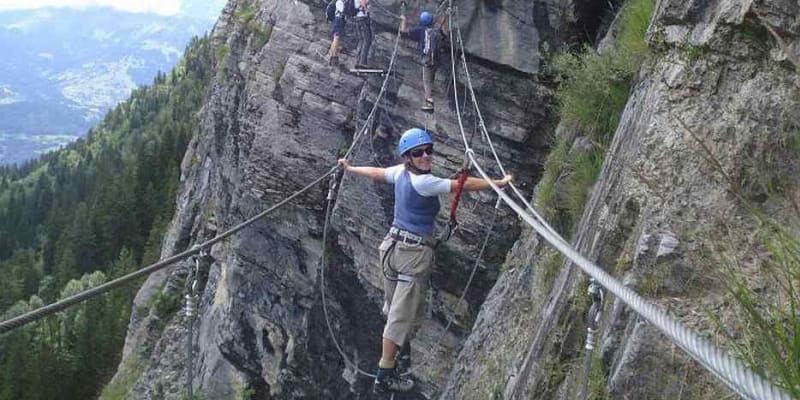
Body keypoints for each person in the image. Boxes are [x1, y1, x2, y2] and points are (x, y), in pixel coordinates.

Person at [338, 128, 512, 394]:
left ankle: (398, 355)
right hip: (412, 254)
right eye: (418, 153)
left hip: (392, 249)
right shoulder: (424, 183)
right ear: (408, 156)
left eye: (428, 150)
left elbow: (377, 173)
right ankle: (385, 374)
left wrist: (351, 169)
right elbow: (462, 186)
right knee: (401, 316)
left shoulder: (400, 173)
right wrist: (497, 183)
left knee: (399, 310)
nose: (425, 156)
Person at [400, 11, 448, 111]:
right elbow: (444, 34)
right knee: (431, 78)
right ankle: (430, 97)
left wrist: (403, 20)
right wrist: (444, 22)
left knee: (427, 82)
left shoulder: (420, 30)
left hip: (427, 59)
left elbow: (403, 33)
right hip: (437, 59)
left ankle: (429, 102)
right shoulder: (436, 30)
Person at [353, 0, 373, 69]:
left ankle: (358, 61)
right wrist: (367, 9)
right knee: (367, 40)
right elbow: (363, 3)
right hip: (362, 19)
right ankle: (362, 62)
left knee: (361, 40)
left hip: (357, 18)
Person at [326, 0, 346, 66]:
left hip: (337, 20)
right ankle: (334, 56)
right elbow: (343, 11)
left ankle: (330, 54)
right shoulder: (339, 2)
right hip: (339, 20)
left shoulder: (338, 2)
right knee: (336, 38)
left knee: (335, 38)